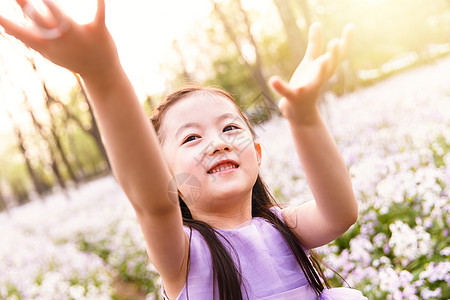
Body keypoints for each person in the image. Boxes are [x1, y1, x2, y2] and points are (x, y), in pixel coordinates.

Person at [0, 0, 367, 299]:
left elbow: (340, 213)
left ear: (256, 154)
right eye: (191, 138)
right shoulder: (185, 254)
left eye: (230, 128)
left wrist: (304, 118)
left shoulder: (283, 225)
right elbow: (153, 203)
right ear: (169, 179)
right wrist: (102, 74)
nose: (217, 142)